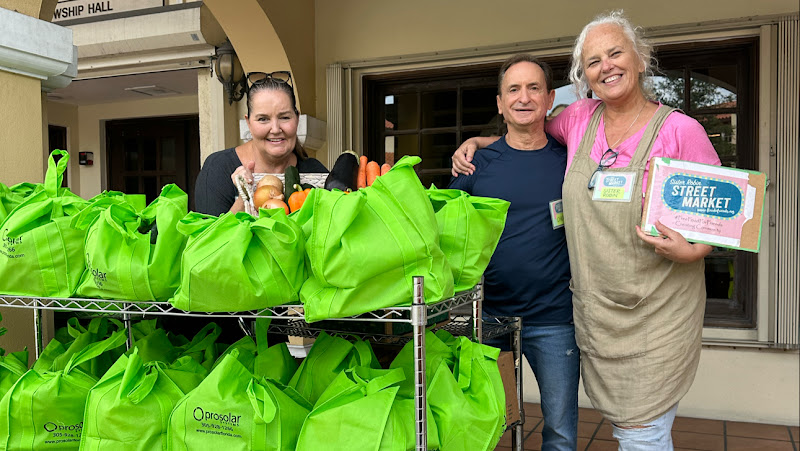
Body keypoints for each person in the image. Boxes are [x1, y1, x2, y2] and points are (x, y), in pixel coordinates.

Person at [452, 11, 721, 450]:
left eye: (615, 53)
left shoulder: (679, 130)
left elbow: (726, 210)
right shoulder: (578, 120)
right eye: (594, 61)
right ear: (585, 75)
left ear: (640, 59)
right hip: (595, 312)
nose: (606, 66)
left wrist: (696, 250)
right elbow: (527, 129)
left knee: (638, 429)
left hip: (654, 309)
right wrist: (479, 143)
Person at [449, 54, 579, 451]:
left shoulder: (570, 162)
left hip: (555, 319)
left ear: (550, 98)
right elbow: (451, 233)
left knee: (560, 431)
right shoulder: (475, 165)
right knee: (482, 427)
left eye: (534, 88)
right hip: (488, 318)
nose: (524, 98)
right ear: (500, 102)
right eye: (514, 89)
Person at [194, 71, 327, 216]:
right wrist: (245, 197)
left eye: (284, 117)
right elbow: (210, 231)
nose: (275, 129)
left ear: (297, 119)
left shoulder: (315, 172)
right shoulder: (218, 168)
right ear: (248, 123)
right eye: (263, 119)